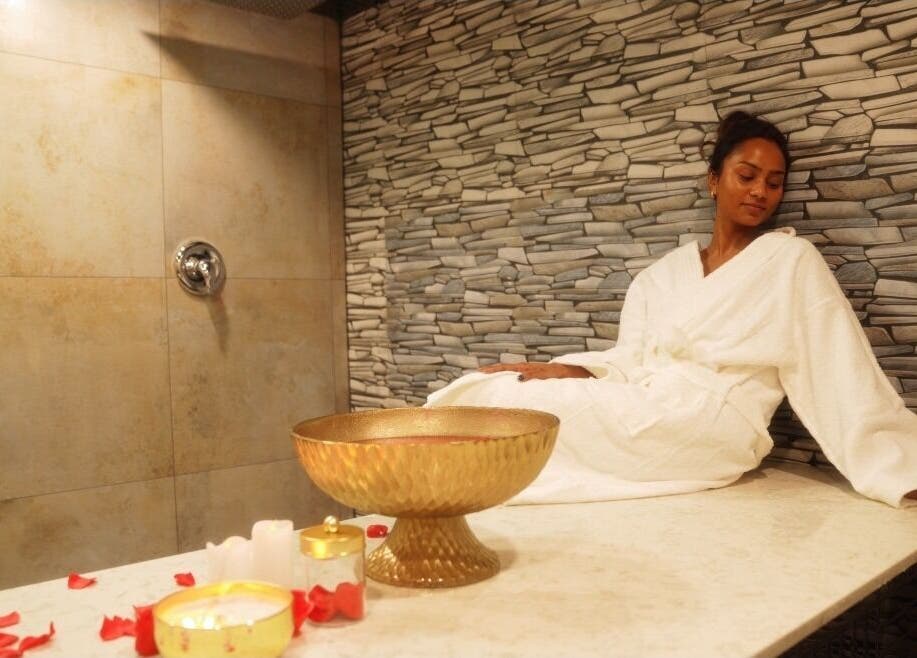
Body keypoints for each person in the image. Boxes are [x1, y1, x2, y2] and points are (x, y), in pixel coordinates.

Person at [426, 111, 917, 507]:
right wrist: (570, 368)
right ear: (713, 180)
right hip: (650, 401)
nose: (760, 192)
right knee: (495, 391)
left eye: (774, 182)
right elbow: (632, 359)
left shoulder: (790, 260)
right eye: (747, 176)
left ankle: (448, 482)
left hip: (716, 421)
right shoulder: (660, 275)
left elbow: (837, 363)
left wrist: (897, 465)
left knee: (535, 416)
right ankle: (436, 486)